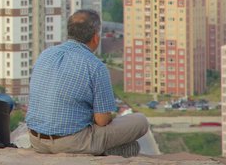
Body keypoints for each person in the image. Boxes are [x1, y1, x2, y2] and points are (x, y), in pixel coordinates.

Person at [25, 9, 149, 156]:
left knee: (128, 144)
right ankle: (107, 150)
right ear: (95, 37)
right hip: (71, 142)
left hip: (37, 141)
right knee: (140, 121)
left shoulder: (46, 54)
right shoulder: (95, 66)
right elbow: (102, 121)